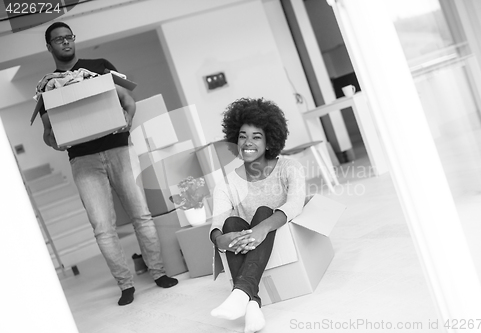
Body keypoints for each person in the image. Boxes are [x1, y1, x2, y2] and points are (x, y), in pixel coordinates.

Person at [40, 22, 178, 306]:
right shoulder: (48, 88)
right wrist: (57, 142)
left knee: (141, 214)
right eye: (58, 40)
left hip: (118, 149)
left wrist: (126, 119)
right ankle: (126, 285)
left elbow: (128, 100)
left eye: (69, 37)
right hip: (82, 159)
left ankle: (158, 273)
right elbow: (48, 133)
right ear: (49, 46)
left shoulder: (98, 67)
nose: (65, 42)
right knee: (102, 227)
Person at [209, 98, 306, 333]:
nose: (248, 143)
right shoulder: (227, 183)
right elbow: (218, 222)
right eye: (242, 136)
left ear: (270, 139)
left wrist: (263, 227)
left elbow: (295, 204)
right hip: (245, 242)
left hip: (275, 233)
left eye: (256, 136)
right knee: (231, 222)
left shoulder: (289, 167)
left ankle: (241, 293)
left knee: (264, 212)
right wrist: (219, 239)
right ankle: (251, 304)